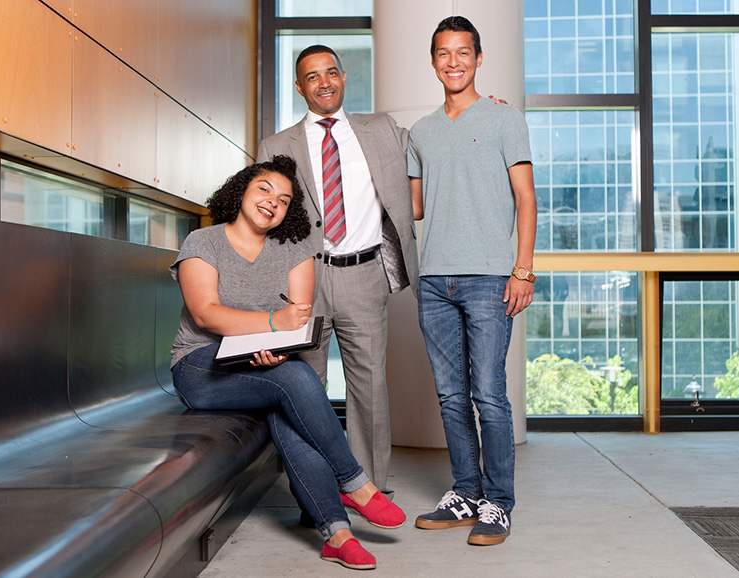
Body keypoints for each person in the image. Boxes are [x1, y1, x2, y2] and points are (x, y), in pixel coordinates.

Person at [169, 155, 406, 570]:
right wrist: (271, 325)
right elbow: (206, 314)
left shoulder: (295, 251)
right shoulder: (202, 242)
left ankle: (338, 534)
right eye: (263, 189)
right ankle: (353, 480)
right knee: (294, 378)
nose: (272, 202)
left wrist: (275, 341)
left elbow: (299, 320)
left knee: (288, 403)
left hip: (263, 368)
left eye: (283, 200)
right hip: (201, 367)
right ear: (241, 189)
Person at [256, 45, 418, 495]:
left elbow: (434, 144)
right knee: (305, 388)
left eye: (331, 73)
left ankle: (370, 490)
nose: (324, 82)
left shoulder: (382, 129)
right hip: (302, 279)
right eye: (312, 76)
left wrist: (479, 109)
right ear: (299, 86)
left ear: (344, 77)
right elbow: (263, 217)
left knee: (369, 388)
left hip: (364, 275)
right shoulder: (275, 146)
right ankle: (317, 493)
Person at [407, 16, 537, 547]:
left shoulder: (506, 120)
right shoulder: (419, 132)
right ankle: (464, 493)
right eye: (444, 53)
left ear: (479, 59)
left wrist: (522, 269)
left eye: (464, 52)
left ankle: (498, 503)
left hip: (489, 278)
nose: (454, 61)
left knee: (489, 395)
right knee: (450, 396)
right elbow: (413, 205)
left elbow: (527, 198)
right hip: (434, 279)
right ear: (433, 61)